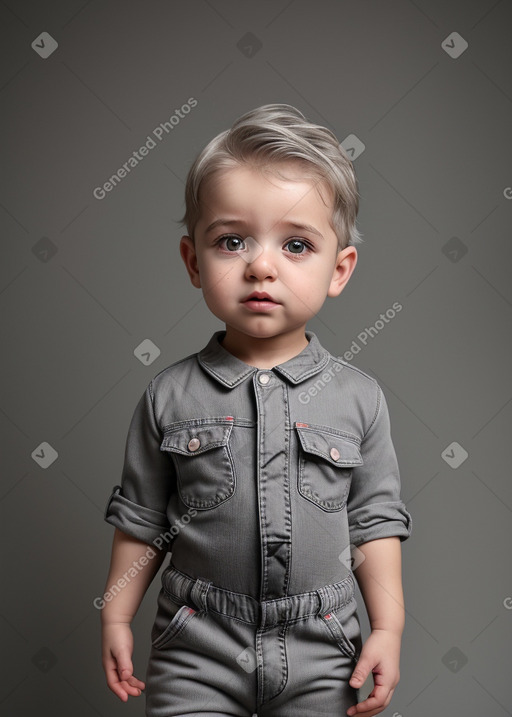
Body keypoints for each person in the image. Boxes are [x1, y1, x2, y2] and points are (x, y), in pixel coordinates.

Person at [99, 103, 412, 717]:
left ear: (338, 270)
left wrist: (389, 628)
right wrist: (115, 613)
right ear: (194, 261)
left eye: (296, 244)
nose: (261, 266)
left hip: (326, 646)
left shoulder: (360, 399)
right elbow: (140, 518)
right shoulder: (168, 396)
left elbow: (374, 525)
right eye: (232, 241)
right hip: (196, 644)